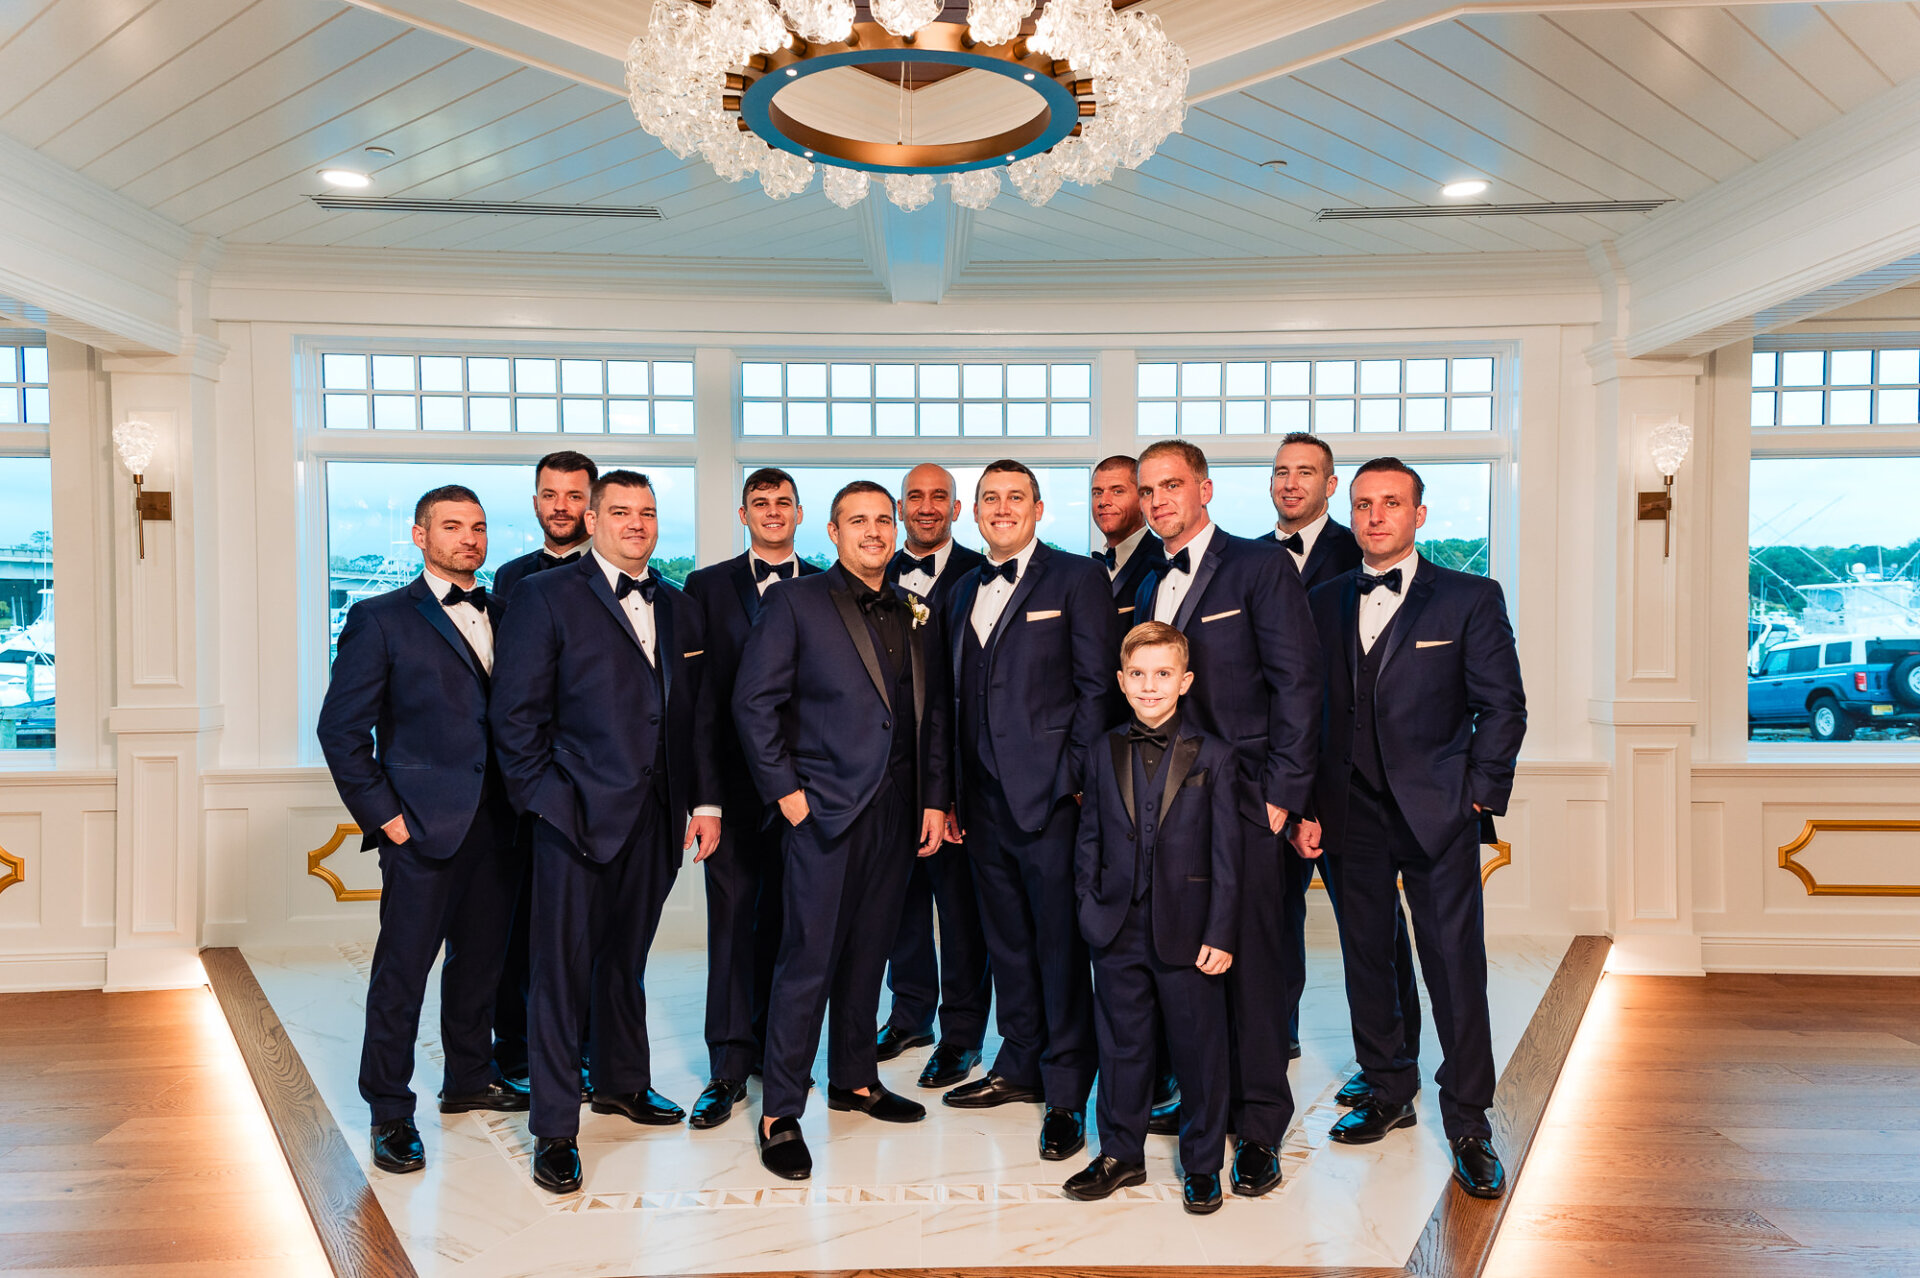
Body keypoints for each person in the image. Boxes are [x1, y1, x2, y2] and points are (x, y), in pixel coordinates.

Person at [1292, 457, 1526, 1199]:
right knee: (1366, 958)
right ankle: (1390, 1087)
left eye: (1390, 503)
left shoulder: (1468, 598)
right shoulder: (1324, 599)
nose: (1374, 517)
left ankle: (1469, 1120)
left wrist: (1478, 800)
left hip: (1439, 811)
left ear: (1418, 515)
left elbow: (1504, 707)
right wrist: (1306, 803)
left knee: (1454, 965)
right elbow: (1308, 712)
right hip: (1346, 810)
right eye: (1363, 504)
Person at [490, 470, 721, 1195]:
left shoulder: (681, 607)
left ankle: (623, 1082)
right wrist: (549, 804)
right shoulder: (541, 597)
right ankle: (555, 1128)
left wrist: (704, 804)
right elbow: (514, 718)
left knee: (625, 962)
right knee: (559, 975)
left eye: (647, 513)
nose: (636, 524)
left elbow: (695, 717)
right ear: (591, 520)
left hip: (658, 821)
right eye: (620, 512)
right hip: (573, 820)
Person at [734, 481, 952, 1180]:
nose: (874, 531)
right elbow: (753, 704)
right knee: (808, 962)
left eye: (882, 520)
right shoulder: (794, 602)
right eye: (858, 520)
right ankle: (781, 1112)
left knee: (869, 954)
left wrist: (933, 801)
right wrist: (788, 798)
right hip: (823, 813)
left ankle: (855, 1079)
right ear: (832, 532)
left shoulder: (918, 608)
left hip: (897, 813)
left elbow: (931, 716)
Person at [317, 485, 526, 1178]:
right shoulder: (380, 619)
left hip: (501, 828)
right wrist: (389, 818)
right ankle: (388, 1110)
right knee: (402, 974)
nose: (468, 539)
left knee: (483, 968)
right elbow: (341, 732)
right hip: (422, 831)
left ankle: (470, 1076)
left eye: (478, 527)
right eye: (452, 527)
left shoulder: (506, 612)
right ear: (419, 535)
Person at [1132, 439, 1320, 1200]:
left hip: (1247, 805)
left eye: (1171, 485)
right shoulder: (1150, 580)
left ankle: (1261, 1129)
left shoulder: (1259, 567)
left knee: (1255, 971)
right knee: (1188, 966)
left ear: (1204, 489)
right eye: (1147, 490)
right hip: (1172, 811)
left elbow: (1299, 686)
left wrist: (1282, 796)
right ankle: (1206, 1107)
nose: (1157, 500)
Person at [937, 461, 1110, 1163]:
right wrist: (947, 796)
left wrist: (1069, 782)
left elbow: (1097, 690)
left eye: (1015, 498)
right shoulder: (959, 592)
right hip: (978, 804)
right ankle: (1018, 1061)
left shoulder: (1076, 580)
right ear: (973, 513)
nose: (1001, 509)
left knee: (1059, 945)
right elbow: (949, 703)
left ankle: (1067, 1089)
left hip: (1051, 801)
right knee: (1004, 940)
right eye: (989, 499)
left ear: (1038, 509)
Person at [1265, 434, 1421, 1103]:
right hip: (1276, 776)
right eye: (1281, 472)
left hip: (1347, 782)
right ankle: (1275, 1035)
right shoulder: (1250, 558)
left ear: (1332, 488)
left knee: (1374, 928)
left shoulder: (1360, 553)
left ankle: (1395, 1061)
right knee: (1271, 916)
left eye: (1306, 473)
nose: (1290, 483)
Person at [1067, 622, 1240, 1216]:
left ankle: (1202, 1163)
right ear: (1120, 681)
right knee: (1121, 1044)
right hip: (1116, 925)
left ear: (1185, 681)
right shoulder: (1103, 748)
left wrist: (1220, 931)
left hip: (1189, 930)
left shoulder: (1214, 755)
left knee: (1198, 1048)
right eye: (1137, 675)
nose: (1149, 686)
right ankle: (1121, 1154)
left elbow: (1227, 855)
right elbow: (1088, 839)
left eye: (1162, 674)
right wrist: (1089, 907)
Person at [682, 467, 820, 1129]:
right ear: (743, 514)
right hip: (734, 793)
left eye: (782, 503)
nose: (772, 512)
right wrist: (703, 800)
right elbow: (700, 703)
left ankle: (782, 1055)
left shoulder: (827, 584)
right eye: (760, 504)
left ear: (799, 512)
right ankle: (727, 1067)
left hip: (810, 790)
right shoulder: (706, 587)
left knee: (799, 927)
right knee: (734, 926)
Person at [487, 450, 599, 1094]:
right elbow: (510, 687)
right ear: (535, 502)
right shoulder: (510, 577)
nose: (561, 506)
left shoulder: (615, 575)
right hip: (528, 784)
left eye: (574, 494)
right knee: (521, 923)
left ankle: (582, 1050)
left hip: (595, 787)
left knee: (585, 933)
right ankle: (517, 1050)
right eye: (549, 494)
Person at [878, 463, 992, 1089]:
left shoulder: (982, 576)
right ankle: (910, 1013)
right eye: (914, 497)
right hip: (886, 778)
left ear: (956, 508)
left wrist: (946, 792)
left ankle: (963, 1035)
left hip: (951, 779)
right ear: (900, 507)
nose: (925, 507)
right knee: (899, 905)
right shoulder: (873, 571)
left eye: (938, 497)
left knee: (960, 910)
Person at [1090, 454, 1163, 610]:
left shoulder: (1164, 561)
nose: (1103, 502)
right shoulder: (1089, 568)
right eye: (1097, 492)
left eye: (1117, 491)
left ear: (1143, 499)